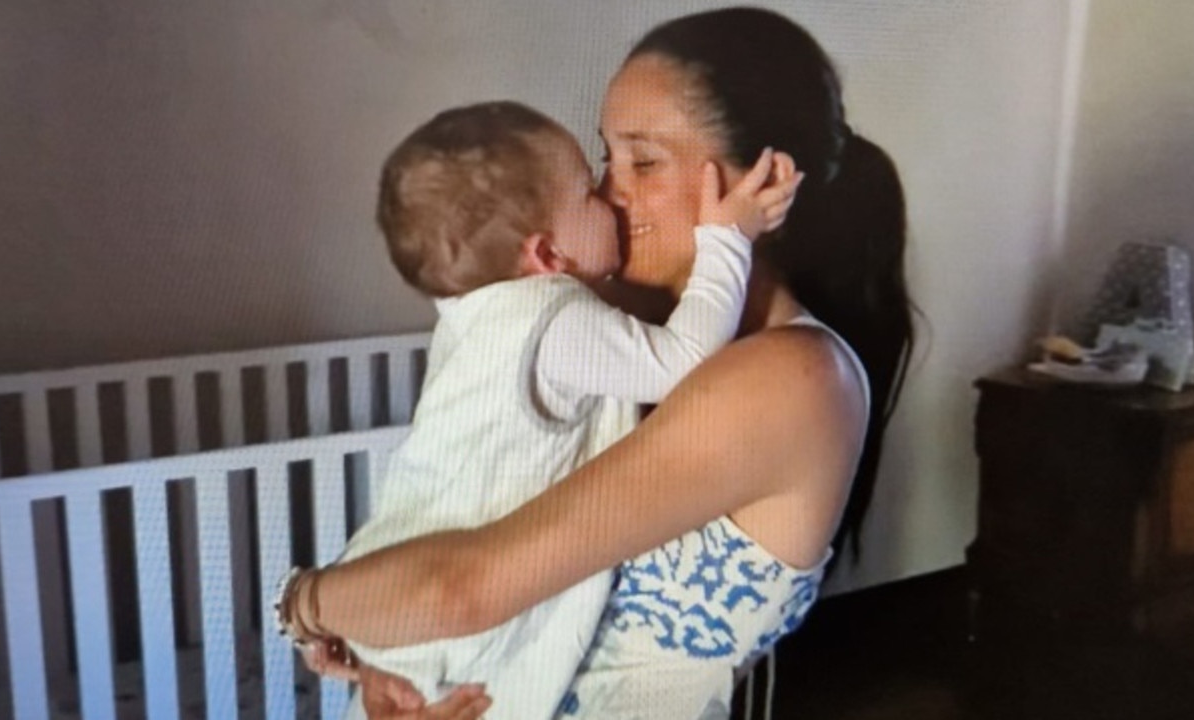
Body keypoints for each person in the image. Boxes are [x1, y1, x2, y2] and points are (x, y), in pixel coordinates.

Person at [295, 6, 914, 719]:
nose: (609, 193)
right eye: (606, 159)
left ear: (764, 178)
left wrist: (306, 603)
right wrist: (399, 661)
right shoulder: (603, 321)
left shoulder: (795, 378)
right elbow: (459, 496)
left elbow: (460, 586)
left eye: (642, 162)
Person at [272, 100, 800, 720]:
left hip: (392, 580)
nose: (611, 197)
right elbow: (683, 359)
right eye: (588, 193)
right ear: (546, 255)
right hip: (445, 600)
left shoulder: (476, 318)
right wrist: (726, 239)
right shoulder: (551, 319)